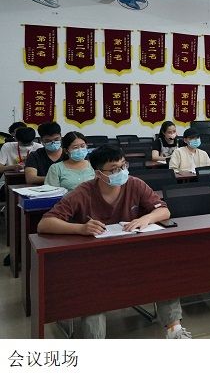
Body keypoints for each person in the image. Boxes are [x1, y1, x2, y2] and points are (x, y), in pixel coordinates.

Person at [36, 145, 191, 339]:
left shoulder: (134, 184)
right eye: (114, 169)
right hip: (95, 261)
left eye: (123, 166)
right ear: (98, 173)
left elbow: (164, 210)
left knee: (163, 272)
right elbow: (45, 223)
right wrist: (80, 228)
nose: (121, 172)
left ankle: (174, 331)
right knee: (93, 291)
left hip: (132, 255)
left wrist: (146, 218)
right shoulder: (83, 192)